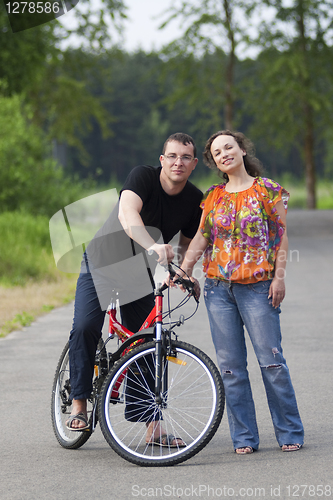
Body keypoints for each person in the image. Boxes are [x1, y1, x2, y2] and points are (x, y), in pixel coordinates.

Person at [66, 132, 202, 448]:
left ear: (194, 164)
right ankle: (79, 402)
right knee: (86, 326)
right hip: (102, 260)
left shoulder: (194, 200)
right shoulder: (142, 176)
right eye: (172, 156)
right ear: (162, 160)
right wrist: (154, 246)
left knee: (147, 339)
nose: (177, 162)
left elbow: (187, 243)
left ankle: (153, 425)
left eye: (185, 157)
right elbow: (129, 216)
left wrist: (183, 273)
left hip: (140, 272)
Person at [176, 129, 304, 454]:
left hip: (259, 288)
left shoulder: (267, 190)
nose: (224, 154)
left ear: (242, 150)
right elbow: (203, 236)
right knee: (231, 368)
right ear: (215, 162)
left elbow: (282, 236)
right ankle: (244, 437)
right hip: (218, 291)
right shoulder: (213, 196)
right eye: (217, 152)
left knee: (272, 363)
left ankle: (289, 431)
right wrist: (185, 268)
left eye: (228, 147)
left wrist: (280, 277)